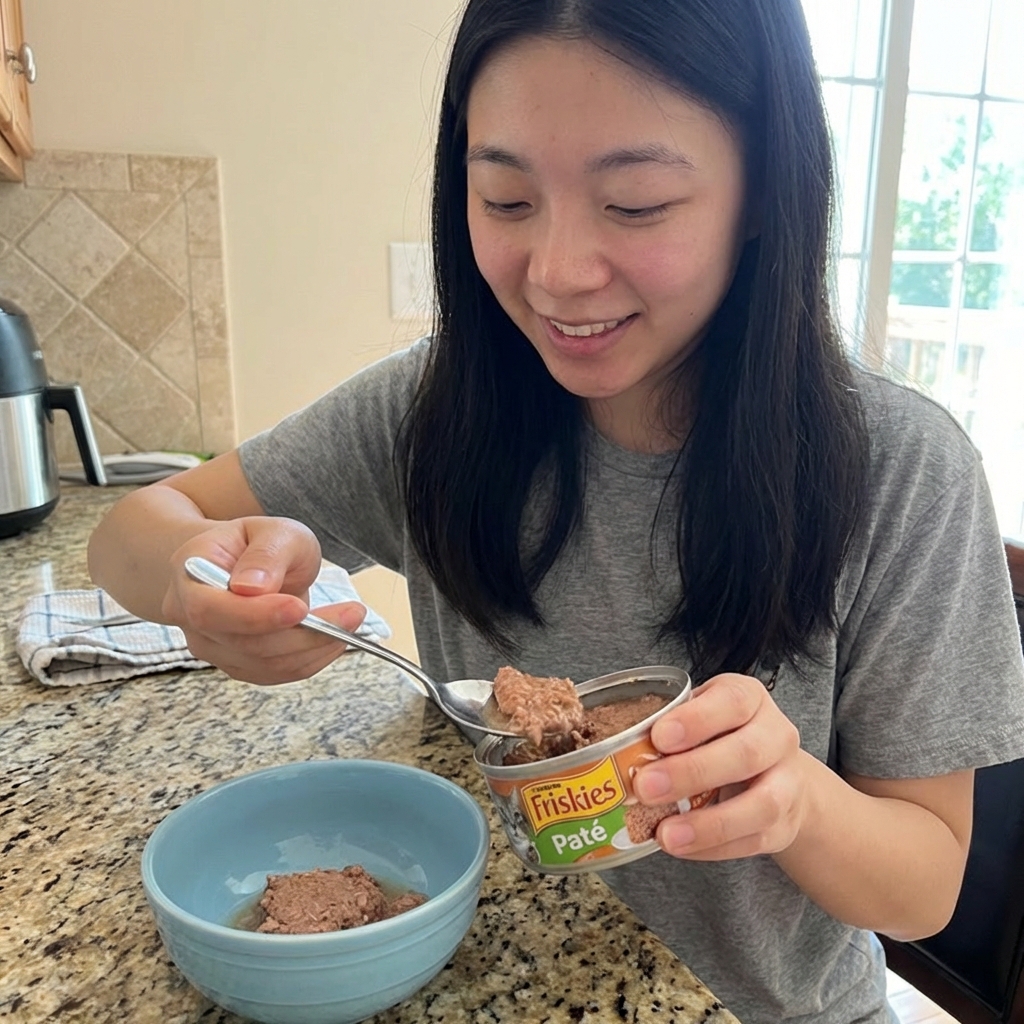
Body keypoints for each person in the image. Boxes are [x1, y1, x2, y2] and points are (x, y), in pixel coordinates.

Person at [88, 1, 1024, 1021]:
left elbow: (925, 885)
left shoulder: (899, 468)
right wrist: (200, 577)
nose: (557, 273)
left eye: (635, 204)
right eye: (505, 197)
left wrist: (793, 796)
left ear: (761, 191)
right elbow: (129, 531)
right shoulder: (434, 411)